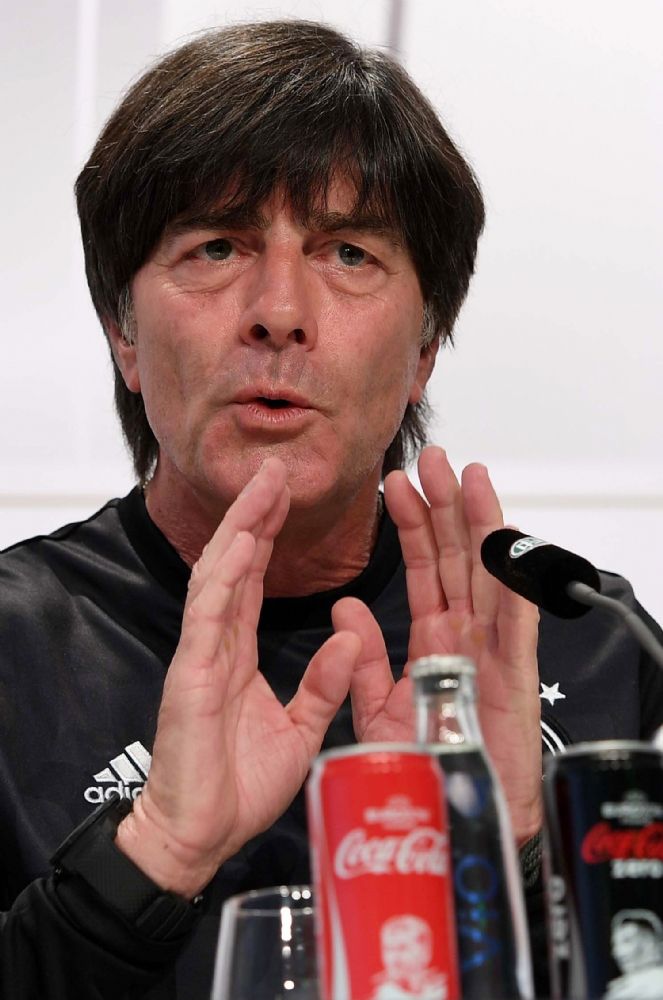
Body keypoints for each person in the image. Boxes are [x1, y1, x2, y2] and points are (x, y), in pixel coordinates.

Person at [1, 19, 662, 1000]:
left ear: (425, 349)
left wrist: (512, 849)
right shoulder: (14, 646)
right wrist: (153, 854)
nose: (279, 311)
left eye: (348, 253)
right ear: (123, 335)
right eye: (217, 245)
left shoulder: (586, 641)